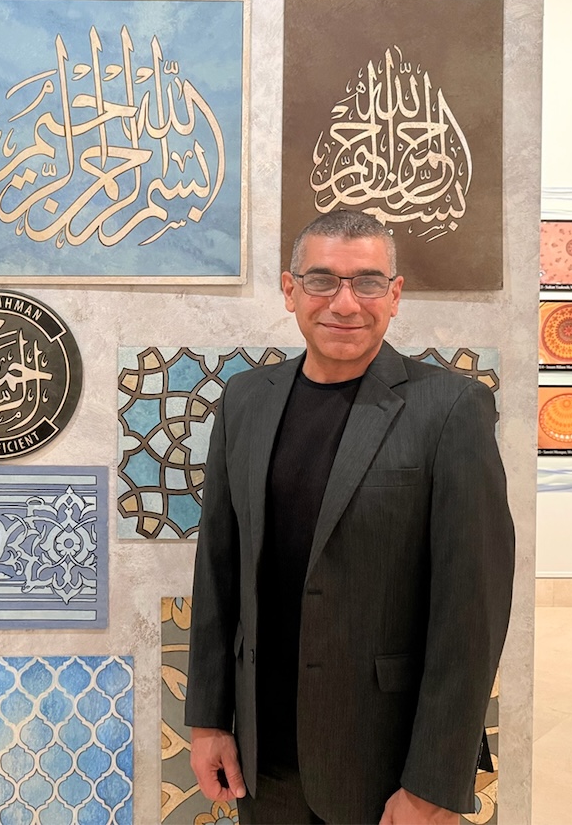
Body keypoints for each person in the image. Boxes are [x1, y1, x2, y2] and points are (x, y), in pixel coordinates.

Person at [185, 210, 515, 825]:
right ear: (290, 291)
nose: (345, 303)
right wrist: (208, 720)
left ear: (395, 295)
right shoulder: (245, 400)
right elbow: (218, 572)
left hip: (384, 762)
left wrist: (433, 784)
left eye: (367, 282)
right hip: (262, 760)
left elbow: (472, 613)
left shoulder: (451, 408)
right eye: (322, 280)